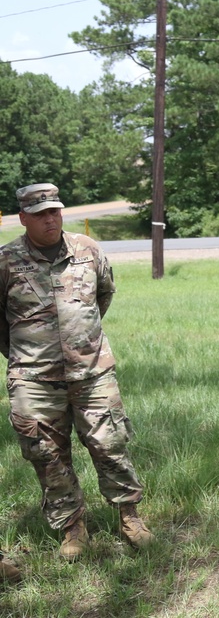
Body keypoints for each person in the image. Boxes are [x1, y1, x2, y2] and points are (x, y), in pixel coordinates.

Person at [0, 183, 154, 561]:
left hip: (93, 372)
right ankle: (72, 528)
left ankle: (130, 517)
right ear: (23, 219)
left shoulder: (88, 250)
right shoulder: (5, 261)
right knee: (47, 455)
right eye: (40, 214)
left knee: (110, 444)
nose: (50, 219)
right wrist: (26, 353)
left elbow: (103, 296)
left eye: (54, 211)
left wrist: (80, 341)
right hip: (33, 379)